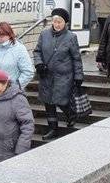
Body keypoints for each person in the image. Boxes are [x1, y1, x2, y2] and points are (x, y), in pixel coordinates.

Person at [33, 8, 84, 140]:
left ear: (65, 23)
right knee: (48, 102)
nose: (56, 24)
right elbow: (37, 51)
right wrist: (39, 64)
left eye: (59, 21)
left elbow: (76, 58)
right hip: (46, 75)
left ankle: (71, 114)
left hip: (64, 76)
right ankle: (52, 128)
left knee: (62, 100)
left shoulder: (71, 37)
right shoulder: (44, 34)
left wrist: (78, 76)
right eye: (54, 21)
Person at [0, 69, 34, 168]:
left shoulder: (18, 99)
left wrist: (21, 149)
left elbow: (27, 125)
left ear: (6, 83)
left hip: (8, 151)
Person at [0, 22, 34, 92]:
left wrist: (14, 88)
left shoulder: (19, 49)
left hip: (11, 95)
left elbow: (28, 72)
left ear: (9, 35)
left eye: (1, 37)